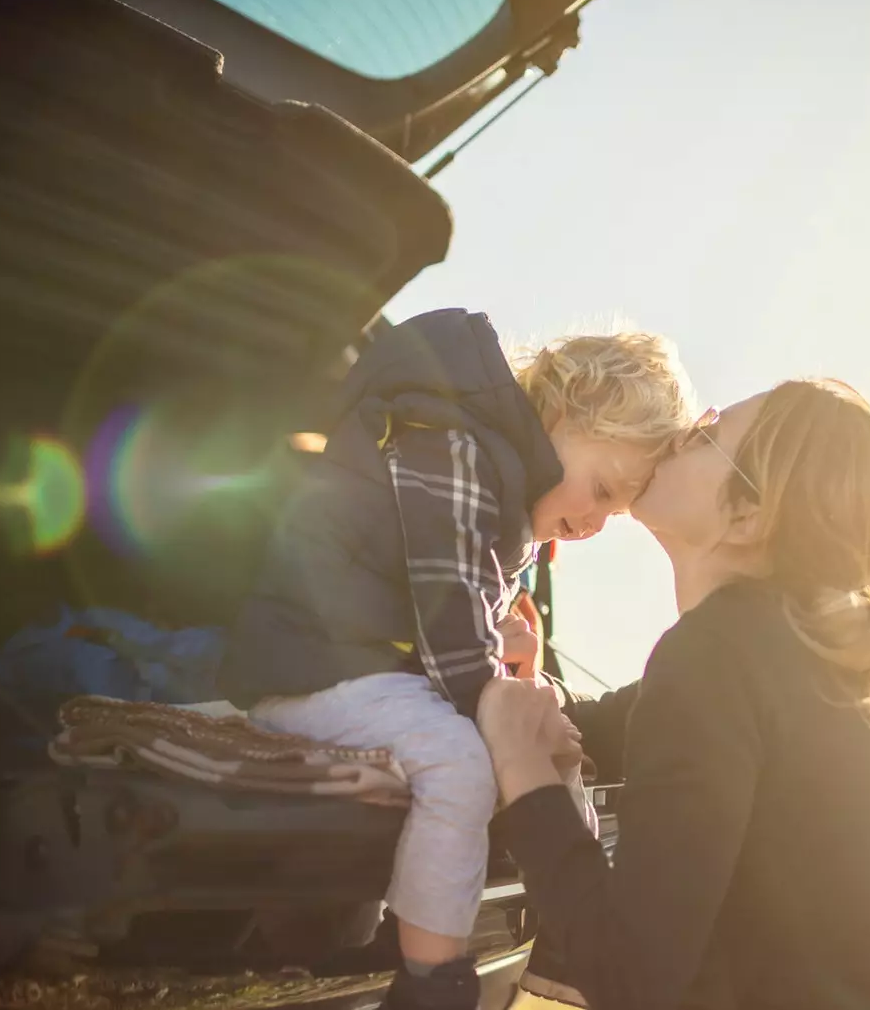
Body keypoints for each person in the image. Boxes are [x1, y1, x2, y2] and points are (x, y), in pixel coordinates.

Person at [217, 308, 694, 1010]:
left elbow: (465, 623)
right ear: (561, 410)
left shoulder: (504, 484)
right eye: (600, 489)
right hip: (314, 668)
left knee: (552, 747)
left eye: (612, 513)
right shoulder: (450, 440)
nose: (593, 524)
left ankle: (564, 942)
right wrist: (503, 708)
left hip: (375, 672)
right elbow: (448, 605)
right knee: (461, 760)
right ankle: (431, 982)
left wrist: (525, 689)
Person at [479, 379, 870, 1010]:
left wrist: (526, 777)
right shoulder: (781, 654)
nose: (683, 431)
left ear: (748, 516)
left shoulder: (718, 658)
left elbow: (631, 975)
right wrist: (519, 678)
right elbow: (604, 726)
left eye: (709, 433)